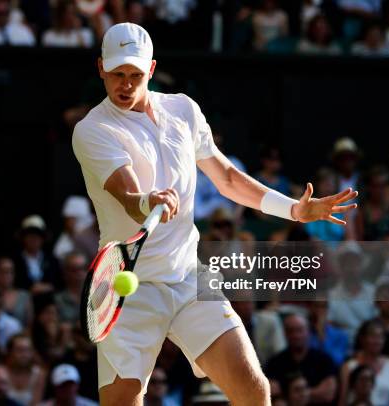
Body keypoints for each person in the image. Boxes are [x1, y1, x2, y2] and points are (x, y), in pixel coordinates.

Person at [71, 22, 358, 406]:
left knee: (255, 390)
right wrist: (147, 202)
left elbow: (226, 177)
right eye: (117, 74)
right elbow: (126, 191)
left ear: (151, 70)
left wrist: (292, 209)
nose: (125, 84)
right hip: (128, 288)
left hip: (189, 278)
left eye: (135, 75)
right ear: (101, 68)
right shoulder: (92, 130)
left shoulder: (183, 110)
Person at [265, 314, 338, 405]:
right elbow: (271, 393)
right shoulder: (275, 362)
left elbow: (328, 394)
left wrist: (289, 394)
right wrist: (313, 392)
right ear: (285, 334)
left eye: (300, 330)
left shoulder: (324, 359)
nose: (296, 335)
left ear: (308, 332)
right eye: (291, 331)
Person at [338, 320, 389, 406]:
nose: (377, 341)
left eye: (381, 336)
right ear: (362, 339)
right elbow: (342, 401)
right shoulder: (349, 367)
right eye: (373, 336)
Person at [14, 215, 61, 293]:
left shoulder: (52, 260)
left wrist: (48, 287)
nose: (34, 238)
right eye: (30, 235)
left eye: (38, 235)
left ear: (43, 238)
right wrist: (30, 289)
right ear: (23, 238)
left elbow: (59, 283)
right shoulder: (15, 261)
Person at [3, 333, 46, 406]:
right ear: (10, 352)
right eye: (19, 350)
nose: (24, 355)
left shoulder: (38, 374)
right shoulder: (0, 373)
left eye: (28, 350)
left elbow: (35, 404)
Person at [54, 251, 87, 325]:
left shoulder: (96, 296)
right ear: (65, 273)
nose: (80, 273)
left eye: (83, 268)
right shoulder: (57, 300)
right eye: (75, 269)